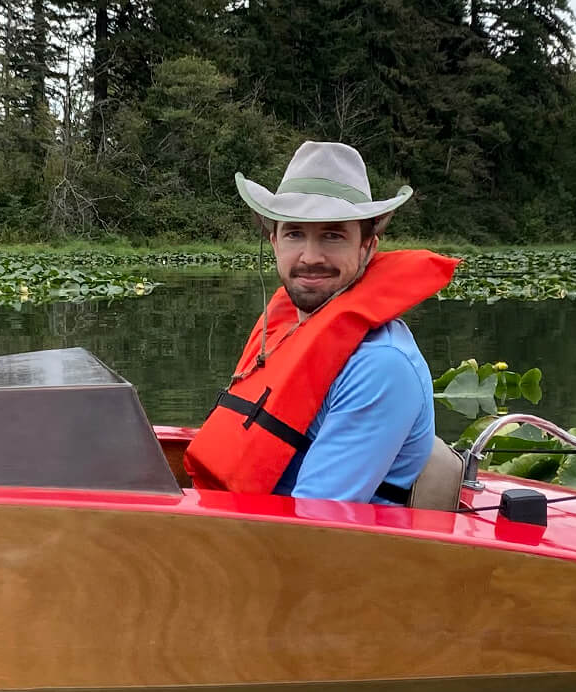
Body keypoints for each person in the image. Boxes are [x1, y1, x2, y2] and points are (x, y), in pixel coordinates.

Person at [183, 142, 459, 505]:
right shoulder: (285, 334)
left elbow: (313, 527)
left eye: (333, 235)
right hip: (245, 532)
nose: (311, 257)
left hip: (322, 555)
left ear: (367, 247)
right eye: (295, 233)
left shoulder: (380, 366)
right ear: (274, 241)